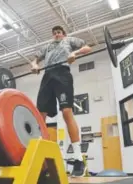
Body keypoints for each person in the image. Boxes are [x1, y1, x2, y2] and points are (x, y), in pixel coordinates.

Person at [31, 25, 91, 177]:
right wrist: (35, 65)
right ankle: (42, 161)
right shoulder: (47, 47)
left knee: (66, 112)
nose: (56, 34)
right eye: (54, 33)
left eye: (59, 32)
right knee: (40, 116)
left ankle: (78, 159)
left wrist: (74, 53)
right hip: (47, 76)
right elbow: (35, 59)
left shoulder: (70, 40)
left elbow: (87, 48)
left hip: (62, 74)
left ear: (64, 34)